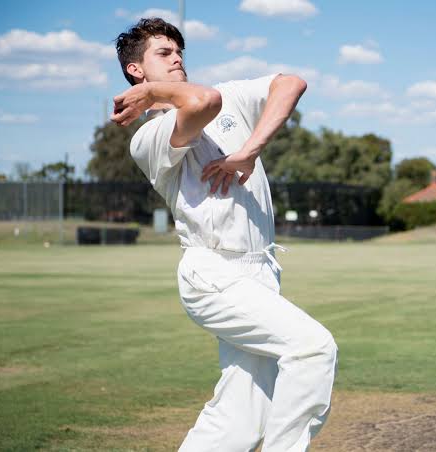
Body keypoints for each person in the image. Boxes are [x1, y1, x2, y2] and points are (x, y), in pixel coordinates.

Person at [112, 18, 338, 452]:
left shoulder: (233, 98)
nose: (177, 57)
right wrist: (158, 95)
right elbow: (203, 101)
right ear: (135, 72)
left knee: (242, 415)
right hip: (213, 271)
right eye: (163, 53)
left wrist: (250, 149)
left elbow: (292, 83)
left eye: (179, 51)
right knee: (313, 350)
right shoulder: (149, 137)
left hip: (261, 271)